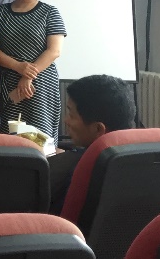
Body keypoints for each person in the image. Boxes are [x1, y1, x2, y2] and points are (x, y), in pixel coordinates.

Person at [0, 0, 67, 140]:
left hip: (41, 83)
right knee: (12, 135)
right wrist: (18, 67)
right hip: (10, 82)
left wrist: (27, 76)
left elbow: (54, 51)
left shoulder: (49, 12)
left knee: (41, 137)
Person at [48, 75, 135, 214]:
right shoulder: (144, 161)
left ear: (98, 129)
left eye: (71, 115)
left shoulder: (71, 171)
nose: (66, 121)